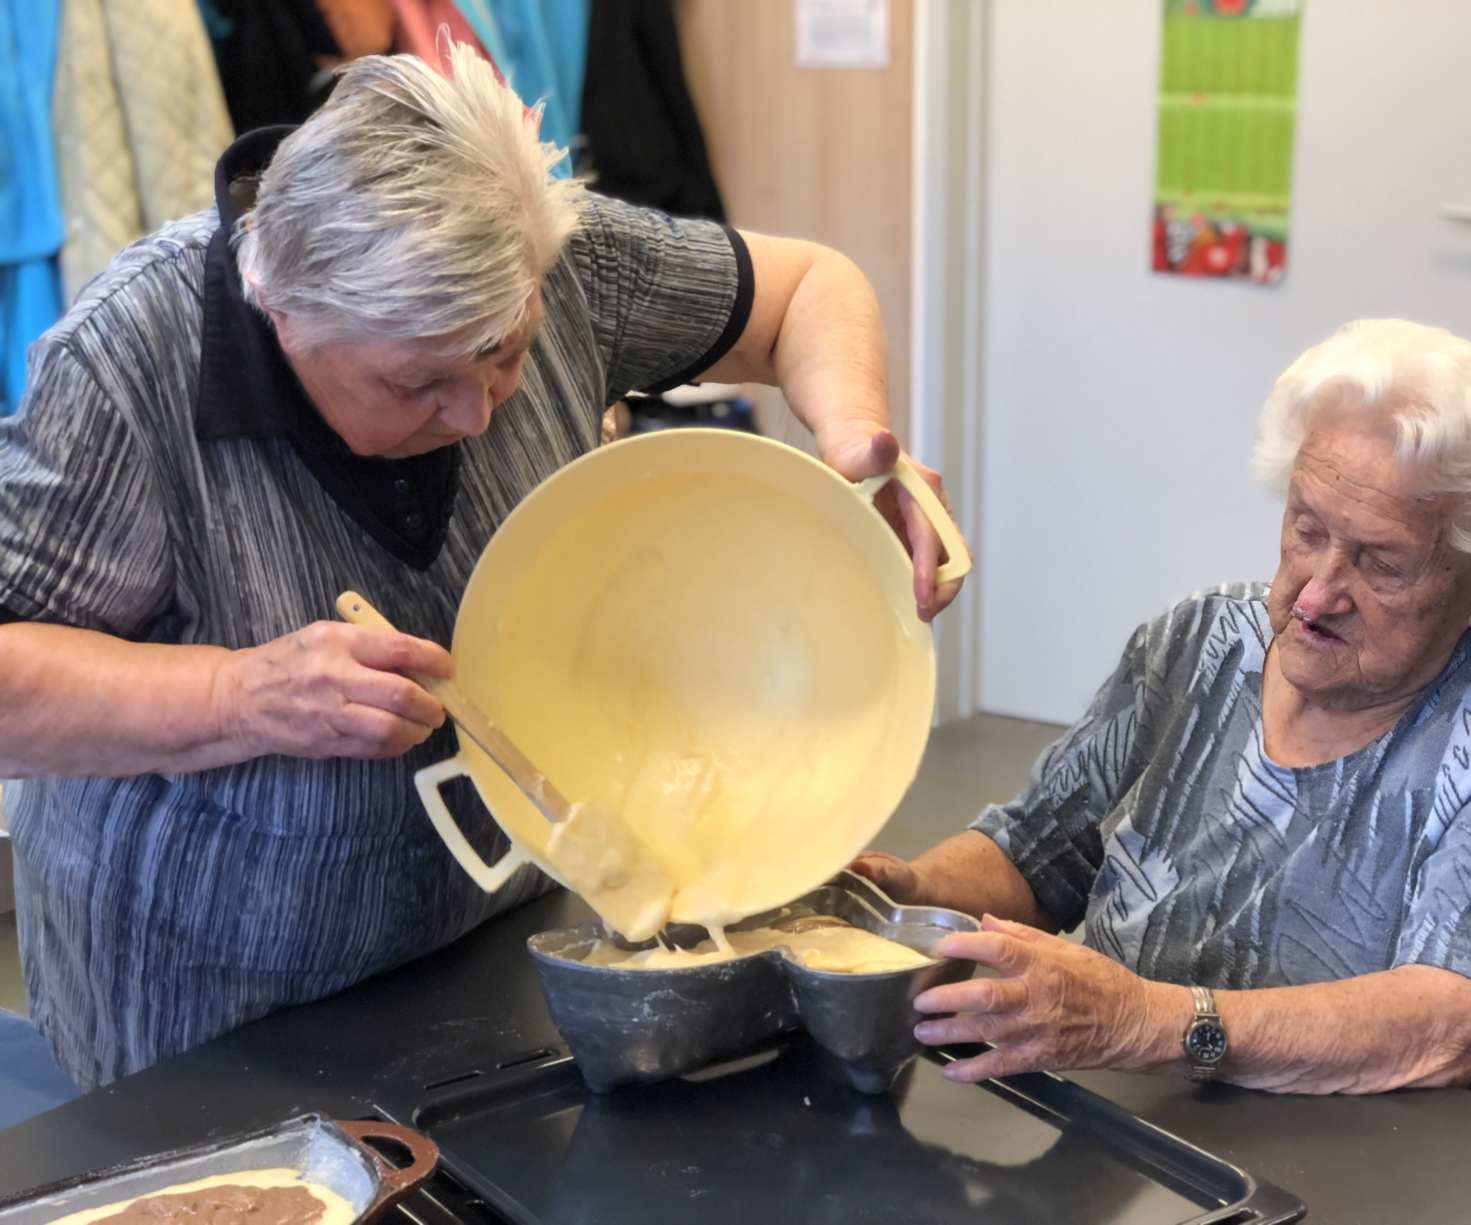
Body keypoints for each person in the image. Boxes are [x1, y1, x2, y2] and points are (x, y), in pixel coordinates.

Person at [0, 42, 962, 1088]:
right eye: (418, 383)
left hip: (496, 951)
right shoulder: (127, 365)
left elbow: (807, 289)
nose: (476, 414)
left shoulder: (547, 252)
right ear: (282, 311)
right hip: (212, 1007)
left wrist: (854, 450)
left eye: (506, 354)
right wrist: (241, 696)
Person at [856, 319, 1471, 1094]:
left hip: (1370, 1138)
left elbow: (1444, 1025)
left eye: (1381, 564)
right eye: (1305, 528)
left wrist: (1144, 1020)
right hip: (1134, 1107)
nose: (1314, 595)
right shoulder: (1202, 638)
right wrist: (900, 892)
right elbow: (1035, 852)